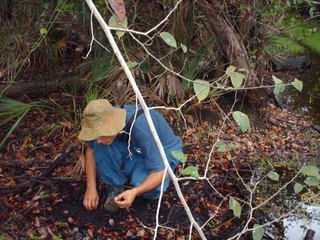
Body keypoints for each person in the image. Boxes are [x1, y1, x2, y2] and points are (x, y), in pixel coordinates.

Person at [78, 99, 183, 212]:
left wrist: (135, 192)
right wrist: (91, 188)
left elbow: (159, 171)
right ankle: (115, 184)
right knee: (100, 145)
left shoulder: (141, 128)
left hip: (163, 150)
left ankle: (169, 170)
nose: (98, 140)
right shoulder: (103, 117)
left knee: (148, 187)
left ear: (113, 126)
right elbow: (91, 150)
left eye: (101, 135)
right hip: (134, 148)